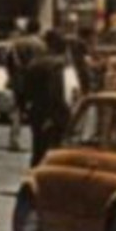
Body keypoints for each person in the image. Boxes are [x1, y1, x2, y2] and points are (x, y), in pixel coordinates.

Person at [23, 29, 73, 166]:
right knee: (55, 153)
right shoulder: (57, 65)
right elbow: (55, 93)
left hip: (36, 112)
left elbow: (26, 91)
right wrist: (56, 116)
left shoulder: (34, 63)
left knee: (38, 150)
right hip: (53, 115)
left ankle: (33, 179)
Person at [5, 19, 46, 152]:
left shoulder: (16, 44)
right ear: (38, 29)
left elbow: (8, 62)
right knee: (37, 109)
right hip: (35, 82)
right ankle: (38, 138)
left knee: (17, 110)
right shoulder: (41, 45)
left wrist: (12, 76)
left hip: (18, 81)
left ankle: (14, 139)